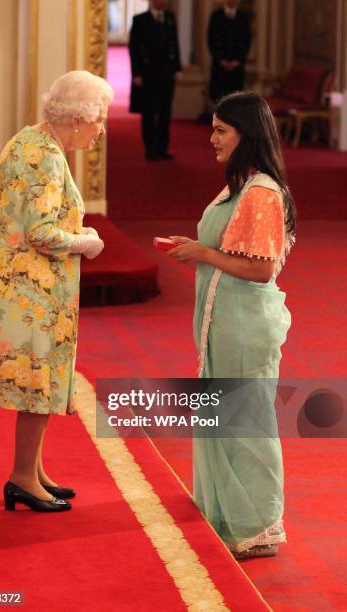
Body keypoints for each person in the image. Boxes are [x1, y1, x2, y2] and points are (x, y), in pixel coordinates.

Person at [0, 70, 114, 513]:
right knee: (34, 382)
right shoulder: (46, 156)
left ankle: (32, 470)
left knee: (37, 383)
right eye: (99, 120)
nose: (101, 129)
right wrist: (85, 241)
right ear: (77, 118)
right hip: (30, 295)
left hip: (19, 287)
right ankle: (22, 478)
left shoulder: (31, 140)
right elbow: (41, 233)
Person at [168, 91, 296, 558]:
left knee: (245, 420)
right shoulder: (240, 185)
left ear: (248, 135)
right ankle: (226, 512)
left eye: (222, 130)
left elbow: (262, 269)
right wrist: (196, 245)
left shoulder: (260, 192)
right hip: (227, 319)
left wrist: (202, 253)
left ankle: (257, 525)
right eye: (214, 127)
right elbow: (234, 252)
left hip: (244, 323)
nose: (212, 138)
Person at [129, 0, 181, 161]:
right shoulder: (140, 20)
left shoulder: (170, 17)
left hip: (166, 73)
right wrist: (136, 73)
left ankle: (162, 147)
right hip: (147, 73)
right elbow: (134, 48)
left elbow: (175, 44)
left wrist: (177, 68)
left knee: (165, 111)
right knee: (149, 112)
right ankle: (150, 149)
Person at [208, 0, 251, 101]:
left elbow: (247, 41)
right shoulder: (216, 15)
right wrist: (221, 60)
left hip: (237, 68)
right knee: (219, 99)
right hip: (219, 68)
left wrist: (237, 61)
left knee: (236, 100)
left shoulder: (243, 17)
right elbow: (211, 40)